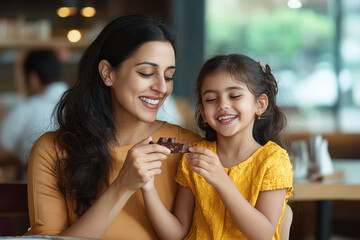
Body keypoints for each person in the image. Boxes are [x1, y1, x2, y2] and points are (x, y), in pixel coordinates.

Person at [25, 15, 202, 239]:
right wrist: (122, 186)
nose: (161, 87)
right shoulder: (52, 150)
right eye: (146, 73)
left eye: (168, 76)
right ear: (108, 73)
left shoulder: (188, 148)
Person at [141, 54, 294, 239]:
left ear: (260, 104)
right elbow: (176, 233)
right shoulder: (194, 158)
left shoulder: (273, 161)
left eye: (234, 95)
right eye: (211, 99)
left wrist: (220, 179)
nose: (222, 105)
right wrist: (147, 187)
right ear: (204, 113)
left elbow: (262, 234)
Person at [0, 49, 67, 177]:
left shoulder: (25, 109)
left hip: (31, 191)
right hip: (79, 192)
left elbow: (1, 152)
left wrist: (20, 163)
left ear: (33, 78)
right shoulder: (82, 105)